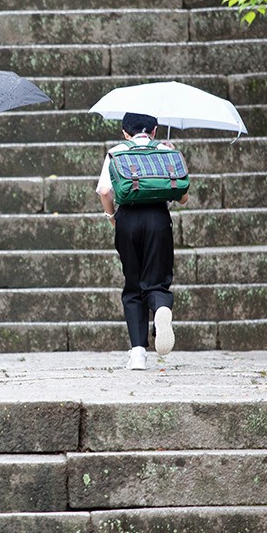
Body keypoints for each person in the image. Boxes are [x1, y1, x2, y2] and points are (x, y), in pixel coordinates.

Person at [96, 112, 185, 371]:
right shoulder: (166, 151)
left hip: (128, 220)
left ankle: (137, 354)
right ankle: (160, 309)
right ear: (155, 130)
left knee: (133, 284)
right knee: (156, 280)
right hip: (158, 218)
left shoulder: (116, 151)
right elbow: (183, 196)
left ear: (125, 132)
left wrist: (112, 216)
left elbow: (104, 191)